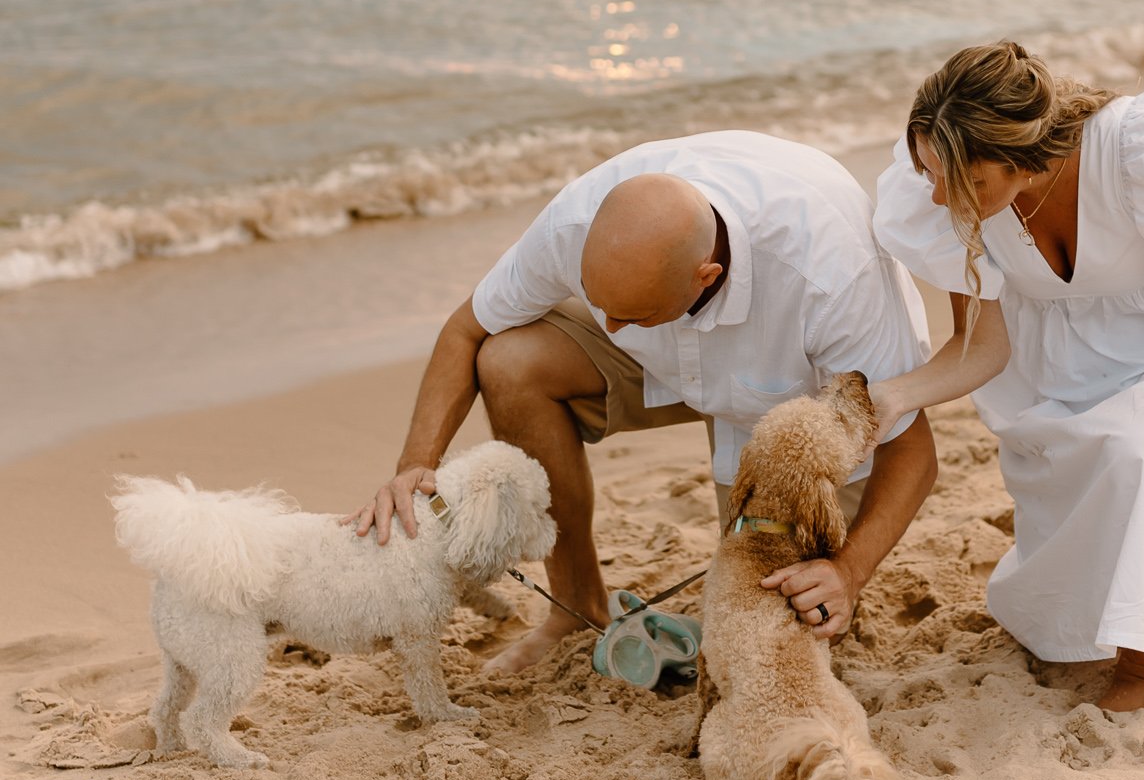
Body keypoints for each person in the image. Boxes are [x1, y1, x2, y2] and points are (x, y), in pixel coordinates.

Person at [350, 129, 938, 674]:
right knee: (510, 361)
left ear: (705, 276)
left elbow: (911, 451)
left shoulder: (834, 278)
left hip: (800, 405)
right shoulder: (578, 223)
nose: (609, 322)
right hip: (670, 361)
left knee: (772, 631)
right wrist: (413, 469)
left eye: (629, 314)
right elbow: (466, 330)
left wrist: (848, 572)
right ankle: (576, 607)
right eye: (600, 301)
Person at [869, 42, 1144, 712]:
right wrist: (891, 397)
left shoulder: (1133, 151)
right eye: (928, 176)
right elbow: (977, 347)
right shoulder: (952, 203)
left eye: (964, 182)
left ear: (1022, 155)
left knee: (1134, 451)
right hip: (1052, 374)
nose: (942, 198)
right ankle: (1074, 618)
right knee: (1067, 511)